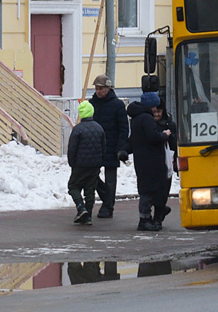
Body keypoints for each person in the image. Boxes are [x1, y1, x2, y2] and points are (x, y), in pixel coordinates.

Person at [120, 91, 176, 231]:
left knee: (148, 190)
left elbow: (134, 140)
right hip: (153, 161)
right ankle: (145, 219)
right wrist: (164, 135)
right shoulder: (146, 118)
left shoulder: (136, 118)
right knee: (150, 191)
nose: (156, 111)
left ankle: (152, 216)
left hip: (143, 160)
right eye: (155, 107)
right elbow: (153, 137)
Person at [88, 75, 128, 219]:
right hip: (95, 147)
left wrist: (120, 147)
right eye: (97, 88)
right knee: (92, 176)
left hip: (111, 147)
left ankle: (108, 207)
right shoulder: (91, 103)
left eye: (101, 88)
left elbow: (123, 128)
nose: (99, 91)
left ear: (108, 88)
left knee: (110, 179)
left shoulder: (117, 105)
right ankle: (108, 200)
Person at [66, 100, 105, 225]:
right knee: (90, 190)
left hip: (80, 165)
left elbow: (72, 148)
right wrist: (100, 161)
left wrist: (72, 163)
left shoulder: (77, 130)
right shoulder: (99, 128)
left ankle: (81, 207)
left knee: (73, 186)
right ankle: (88, 216)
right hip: (95, 165)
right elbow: (104, 146)